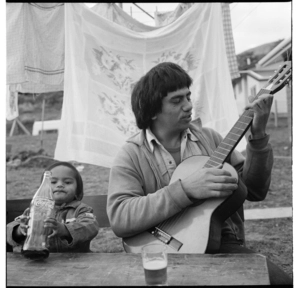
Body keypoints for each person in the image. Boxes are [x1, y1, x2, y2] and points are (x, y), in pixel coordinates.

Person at [107, 62, 292, 285]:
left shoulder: (211, 139)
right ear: (152, 110)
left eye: (188, 96)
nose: (188, 106)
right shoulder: (131, 154)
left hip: (221, 245)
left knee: (280, 282)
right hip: (156, 250)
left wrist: (258, 134)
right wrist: (185, 190)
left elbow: (254, 190)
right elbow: (119, 217)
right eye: (177, 100)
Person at [7, 161, 99, 253]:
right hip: (39, 261)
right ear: (42, 189)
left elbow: (91, 227)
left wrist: (65, 230)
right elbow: (7, 231)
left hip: (77, 262)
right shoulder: (36, 210)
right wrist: (19, 230)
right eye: (53, 182)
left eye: (67, 182)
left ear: (77, 191)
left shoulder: (81, 210)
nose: (59, 185)